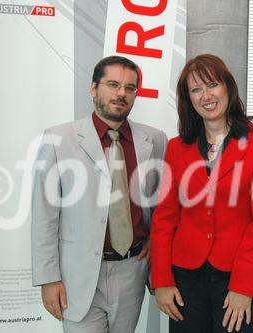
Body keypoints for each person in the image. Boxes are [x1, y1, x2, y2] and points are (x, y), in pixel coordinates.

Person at [31, 55, 168, 332]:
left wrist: (156, 238)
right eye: (113, 84)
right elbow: (44, 215)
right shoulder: (59, 139)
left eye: (130, 88)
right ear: (94, 88)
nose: (121, 94)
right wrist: (48, 278)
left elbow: (162, 203)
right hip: (77, 274)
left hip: (132, 268)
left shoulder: (154, 140)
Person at [150, 54, 253, 333]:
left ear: (228, 88)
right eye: (196, 89)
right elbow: (164, 218)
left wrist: (244, 287)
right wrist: (161, 280)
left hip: (237, 277)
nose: (206, 96)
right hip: (185, 279)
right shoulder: (177, 148)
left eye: (212, 85)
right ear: (188, 99)